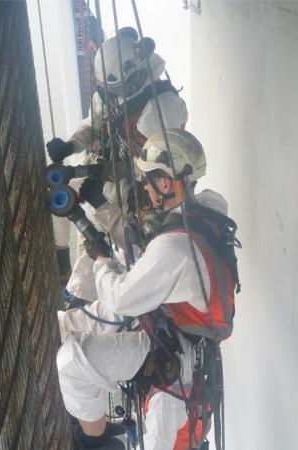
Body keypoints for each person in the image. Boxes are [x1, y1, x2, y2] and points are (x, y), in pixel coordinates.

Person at [56, 129, 239, 450]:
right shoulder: (203, 213)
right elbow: (145, 249)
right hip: (178, 334)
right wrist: (101, 206)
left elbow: (120, 297)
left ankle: (95, 443)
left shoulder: (175, 248)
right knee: (80, 330)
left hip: (178, 359)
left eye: (148, 180)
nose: (144, 186)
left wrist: (101, 259)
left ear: (166, 183)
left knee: (73, 361)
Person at [49, 28, 188, 289]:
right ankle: (61, 260)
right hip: (114, 169)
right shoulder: (110, 94)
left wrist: (104, 193)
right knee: (62, 191)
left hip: (143, 187)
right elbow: (93, 124)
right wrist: (70, 146)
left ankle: (94, 282)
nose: (110, 96)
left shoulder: (159, 111)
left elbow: (157, 176)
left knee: (130, 236)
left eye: (114, 90)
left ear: (134, 78)